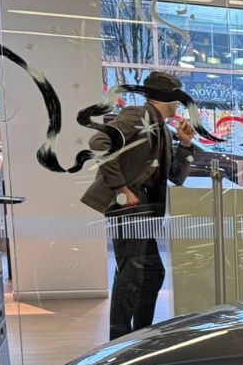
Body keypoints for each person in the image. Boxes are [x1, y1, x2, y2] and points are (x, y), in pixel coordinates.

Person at [80, 71, 196, 339]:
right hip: (130, 205)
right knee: (131, 273)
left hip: (144, 208)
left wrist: (186, 144)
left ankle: (139, 334)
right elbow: (99, 141)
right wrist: (121, 187)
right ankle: (121, 340)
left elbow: (176, 177)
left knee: (151, 272)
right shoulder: (137, 115)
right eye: (176, 97)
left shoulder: (163, 129)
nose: (178, 103)